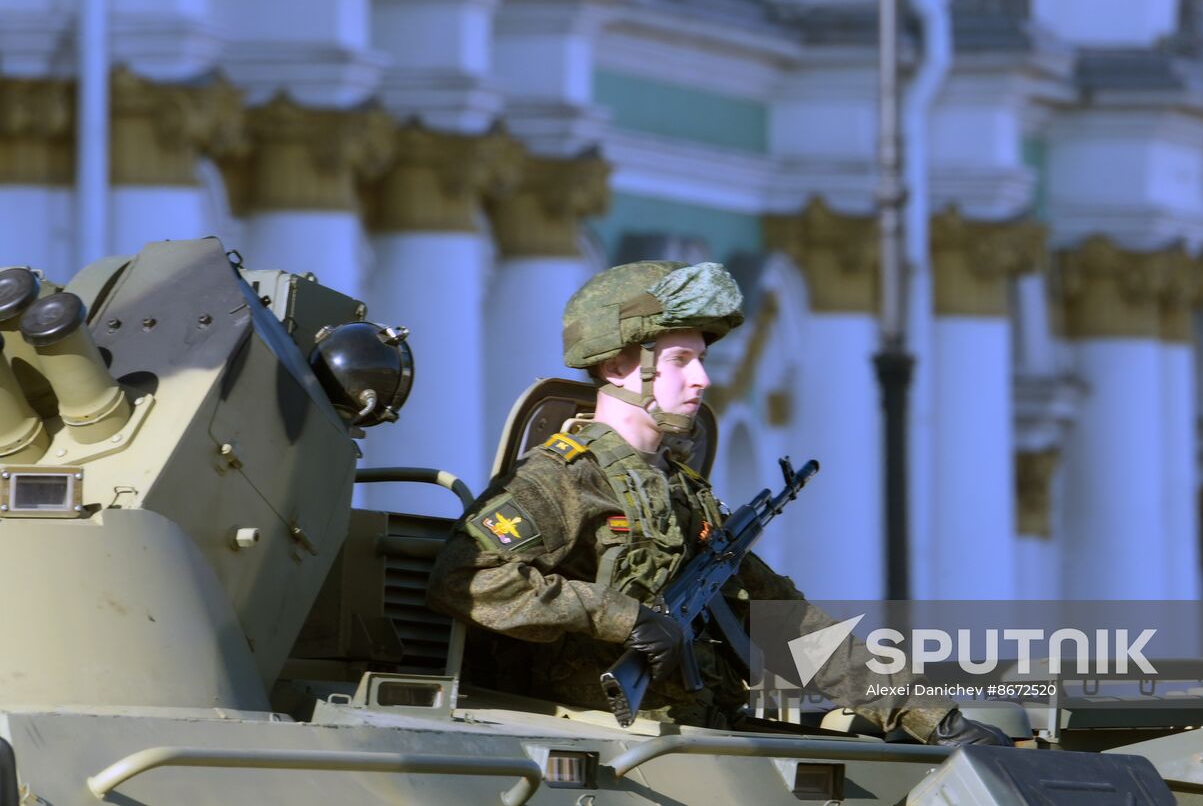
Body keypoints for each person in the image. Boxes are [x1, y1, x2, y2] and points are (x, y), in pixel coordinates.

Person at [427, 260, 1008, 746]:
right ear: (616, 366)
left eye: (702, 359)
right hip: (597, 743)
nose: (702, 379)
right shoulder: (557, 480)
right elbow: (466, 579)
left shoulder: (681, 492)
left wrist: (933, 719)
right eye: (681, 361)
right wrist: (623, 618)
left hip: (693, 735)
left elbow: (784, 621)